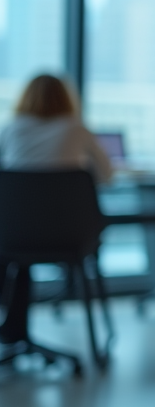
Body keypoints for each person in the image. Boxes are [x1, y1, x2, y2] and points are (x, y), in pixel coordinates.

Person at [0, 74, 113, 346]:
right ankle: (16, 328)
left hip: (14, 235)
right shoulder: (77, 129)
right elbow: (106, 177)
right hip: (69, 236)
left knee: (15, 255)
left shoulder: (11, 129)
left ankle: (12, 327)